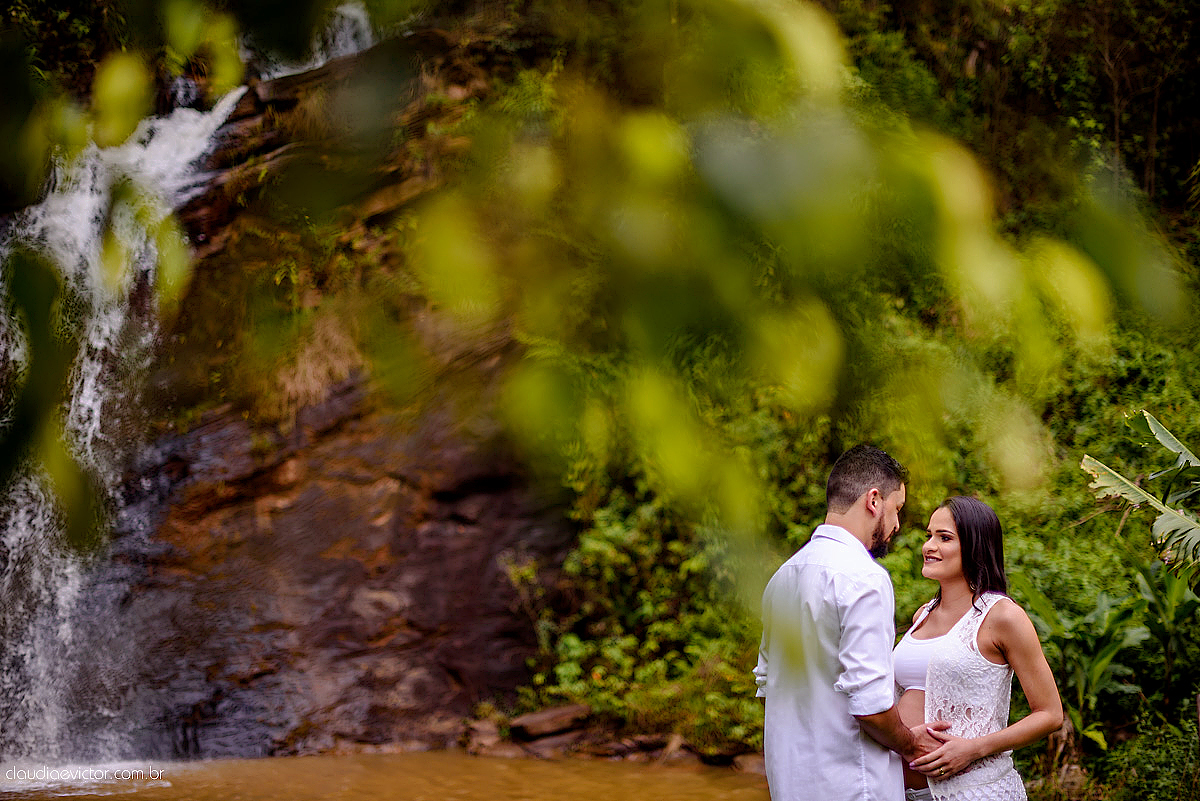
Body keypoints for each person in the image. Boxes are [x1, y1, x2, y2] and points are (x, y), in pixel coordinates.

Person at [754, 445, 946, 801]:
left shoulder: (781, 579)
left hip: (789, 784)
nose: (897, 525)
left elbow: (769, 687)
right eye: (897, 509)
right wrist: (909, 741)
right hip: (853, 786)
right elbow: (870, 706)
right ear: (874, 501)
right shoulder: (863, 578)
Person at [893, 496, 1063, 801]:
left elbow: (1050, 714)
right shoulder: (922, 614)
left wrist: (973, 749)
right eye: (928, 535)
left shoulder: (1002, 616)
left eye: (944, 538)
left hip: (975, 791)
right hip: (901, 791)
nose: (929, 546)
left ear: (974, 546)